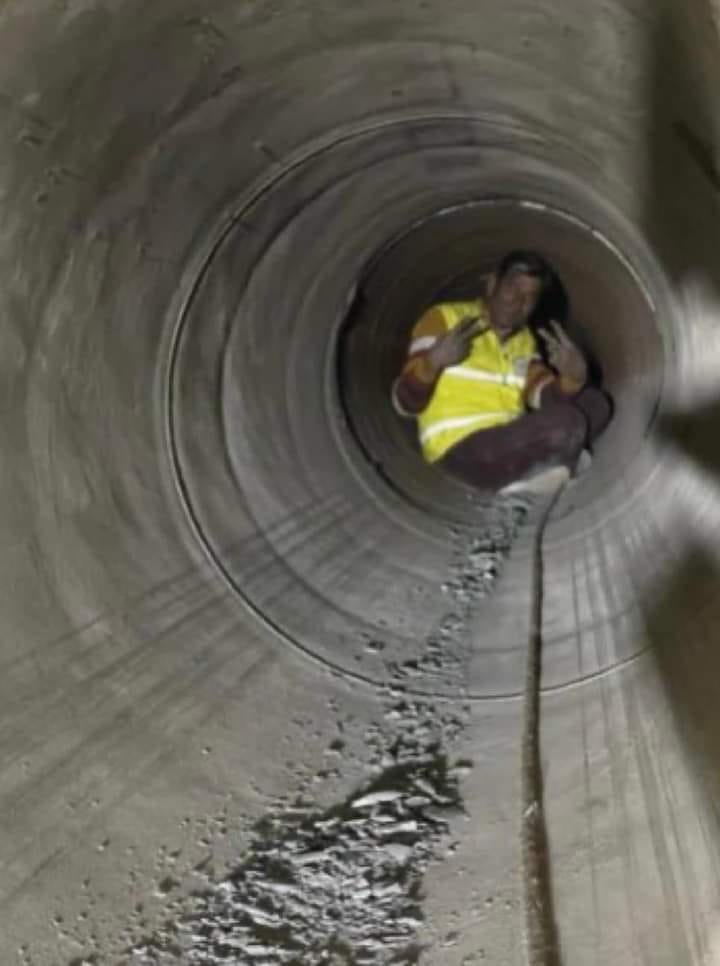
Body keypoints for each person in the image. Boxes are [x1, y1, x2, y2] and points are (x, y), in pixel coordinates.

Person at [392, 251, 612, 495]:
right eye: (513, 288)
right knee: (568, 424)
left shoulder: (524, 341)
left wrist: (573, 379)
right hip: (460, 448)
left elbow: (544, 397)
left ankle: (540, 466)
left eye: (530, 297)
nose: (518, 301)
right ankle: (547, 464)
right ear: (492, 284)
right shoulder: (444, 318)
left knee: (596, 403)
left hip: (509, 439)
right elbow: (405, 403)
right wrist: (433, 362)